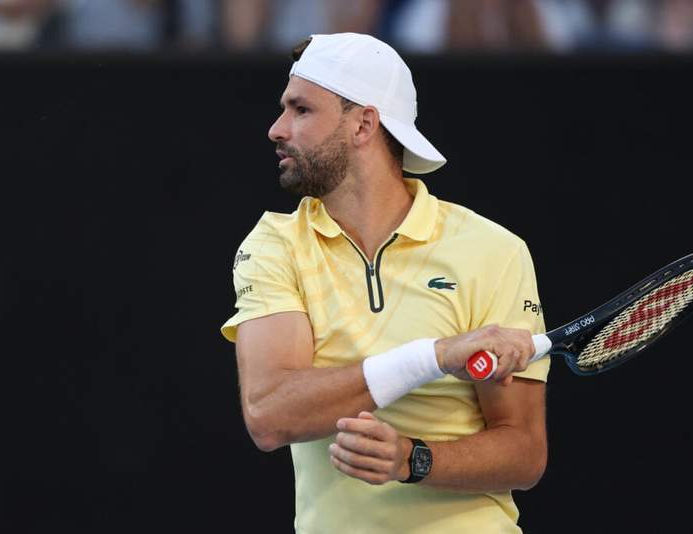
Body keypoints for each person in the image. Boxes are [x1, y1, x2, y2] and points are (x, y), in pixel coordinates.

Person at [221, 32, 550, 534]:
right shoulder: (273, 246)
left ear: (363, 124)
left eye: (301, 110)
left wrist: (411, 460)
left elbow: (524, 452)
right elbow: (269, 414)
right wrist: (435, 357)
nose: (276, 129)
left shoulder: (494, 250)